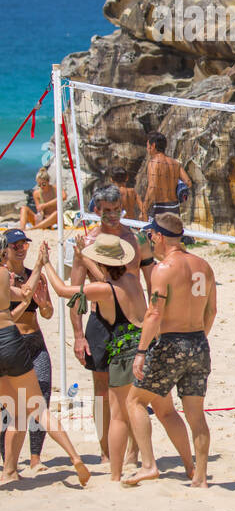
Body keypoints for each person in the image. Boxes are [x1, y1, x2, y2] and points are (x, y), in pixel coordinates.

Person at [41, 236, 145, 482]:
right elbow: (105, 280)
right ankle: (145, 461)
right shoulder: (131, 280)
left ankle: (116, 471)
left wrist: (46, 263)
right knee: (142, 406)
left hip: (122, 350)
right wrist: (85, 256)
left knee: (119, 411)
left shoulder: (103, 288)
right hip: (140, 345)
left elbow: (62, 291)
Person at [123, 213, 213, 488]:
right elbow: (212, 311)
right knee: (195, 414)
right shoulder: (204, 266)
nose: (149, 240)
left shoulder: (164, 268)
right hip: (198, 342)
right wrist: (197, 339)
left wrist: (141, 351)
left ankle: (148, 465)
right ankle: (198, 476)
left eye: (150, 235)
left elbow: (154, 313)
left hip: (171, 342)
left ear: (160, 236)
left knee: (135, 401)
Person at [0, 241, 91, 487]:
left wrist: (37, 270)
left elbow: (34, 299)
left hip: (22, 341)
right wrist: (42, 264)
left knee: (17, 408)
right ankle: (73, 457)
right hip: (10, 339)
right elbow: (26, 293)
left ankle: (14, 468)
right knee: (35, 407)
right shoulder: (4, 274)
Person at [69, 184, 143, 459]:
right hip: (100, 320)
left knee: (132, 389)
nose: (113, 215)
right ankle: (105, 451)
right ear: (97, 210)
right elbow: (76, 293)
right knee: (100, 388)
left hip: (130, 321)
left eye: (117, 209)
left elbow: (147, 282)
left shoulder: (134, 240)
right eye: (107, 210)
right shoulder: (87, 243)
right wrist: (78, 335)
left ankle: (135, 449)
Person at [2, 229, 54, 472]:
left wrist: (43, 306)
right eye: (16, 246)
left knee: (41, 399)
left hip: (35, 342)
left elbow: (48, 313)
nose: (21, 249)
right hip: (11, 344)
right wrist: (26, 300)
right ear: (6, 250)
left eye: (24, 244)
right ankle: (7, 460)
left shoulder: (35, 277)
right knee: (7, 405)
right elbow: (9, 317)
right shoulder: (3, 278)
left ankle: (35, 458)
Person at [141, 132, 191, 217]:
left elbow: (152, 187)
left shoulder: (154, 162)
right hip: (175, 208)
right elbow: (188, 182)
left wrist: (143, 210)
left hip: (161, 208)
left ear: (152, 146)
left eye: (147, 145)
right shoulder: (175, 163)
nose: (147, 148)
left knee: (151, 230)